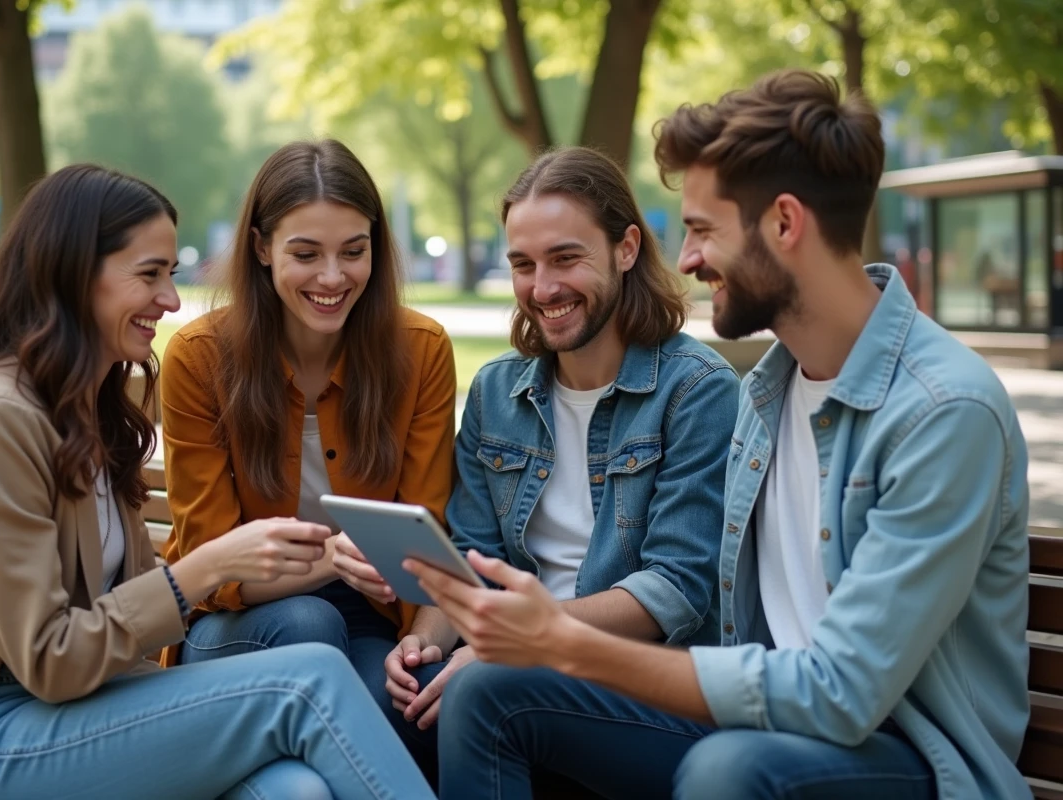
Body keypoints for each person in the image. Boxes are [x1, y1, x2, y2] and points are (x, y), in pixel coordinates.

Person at [408, 69, 1031, 800]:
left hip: (907, 759)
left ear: (785, 224)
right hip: (756, 726)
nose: (690, 259)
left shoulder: (942, 412)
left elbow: (842, 695)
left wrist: (563, 641)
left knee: (727, 771)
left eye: (703, 230)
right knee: (484, 694)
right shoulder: (771, 390)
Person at [0, 164, 435, 800]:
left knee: (295, 790)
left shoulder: (89, 407)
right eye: (151, 273)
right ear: (77, 275)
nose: (171, 299)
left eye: (170, 273)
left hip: (90, 705)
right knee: (309, 678)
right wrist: (207, 567)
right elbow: (51, 660)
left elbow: (124, 611)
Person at [382, 147, 739, 780]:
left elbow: (676, 590)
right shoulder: (497, 393)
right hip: (516, 666)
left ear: (626, 248)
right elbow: (470, 559)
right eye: (523, 264)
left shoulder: (695, 388)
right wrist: (428, 640)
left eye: (566, 258)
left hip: (654, 691)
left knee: (478, 694)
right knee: (404, 699)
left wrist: (527, 640)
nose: (542, 289)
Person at [157, 139, 456, 719]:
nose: (332, 276)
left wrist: (421, 642)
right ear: (262, 248)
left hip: (372, 614)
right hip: (233, 621)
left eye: (353, 251)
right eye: (306, 253)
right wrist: (334, 556)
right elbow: (208, 559)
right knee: (308, 623)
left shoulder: (420, 351)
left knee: (411, 705)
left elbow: (429, 528)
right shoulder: (199, 359)